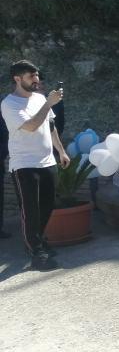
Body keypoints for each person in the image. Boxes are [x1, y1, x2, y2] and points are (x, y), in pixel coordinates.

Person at [1, 60, 70, 270]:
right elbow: (31, 126)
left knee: (47, 206)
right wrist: (49, 103)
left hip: (47, 161)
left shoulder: (40, 98)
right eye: (32, 77)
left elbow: (51, 126)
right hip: (24, 164)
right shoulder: (9, 104)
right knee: (30, 211)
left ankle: (37, 242)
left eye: (37, 76)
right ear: (17, 79)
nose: (37, 80)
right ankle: (37, 253)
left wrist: (61, 151)